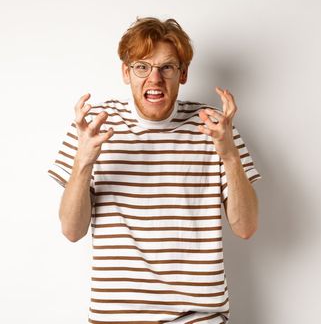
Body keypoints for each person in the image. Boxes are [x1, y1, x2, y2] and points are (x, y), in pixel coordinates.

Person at [47, 17, 261, 324]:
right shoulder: (93, 126)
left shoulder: (215, 127)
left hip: (199, 316)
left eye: (167, 67)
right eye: (142, 66)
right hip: (116, 317)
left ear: (183, 73)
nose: (154, 79)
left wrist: (229, 155)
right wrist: (83, 162)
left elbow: (246, 228)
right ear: (126, 72)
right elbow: (72, 230)